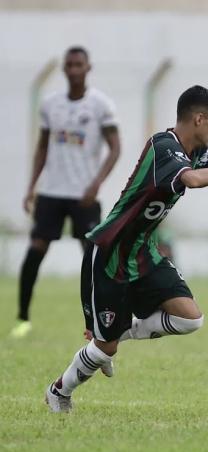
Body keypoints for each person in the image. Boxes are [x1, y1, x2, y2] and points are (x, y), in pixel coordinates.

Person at [45, 85, 208, 412]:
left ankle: (121, 332)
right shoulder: (164, 147)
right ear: (199, 119)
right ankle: (59, 392)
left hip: (143, 252)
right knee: (104, 350)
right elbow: (192, 180)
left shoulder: (196, 148)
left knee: (191, 319)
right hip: (110, 253)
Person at [10, 46, 121, 338]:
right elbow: (42, 147)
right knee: (35, 250)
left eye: (78, 65)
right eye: (69, 65)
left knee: (94, 258)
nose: (73, 70)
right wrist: (31, 187)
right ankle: (22, 318)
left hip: (84, 195)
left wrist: (96, 184)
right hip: (52, 193)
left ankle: (101, 322)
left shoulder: (101, 105)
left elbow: (115, 148)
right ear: (63, 69)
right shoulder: (50, 104)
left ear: (88, 68)